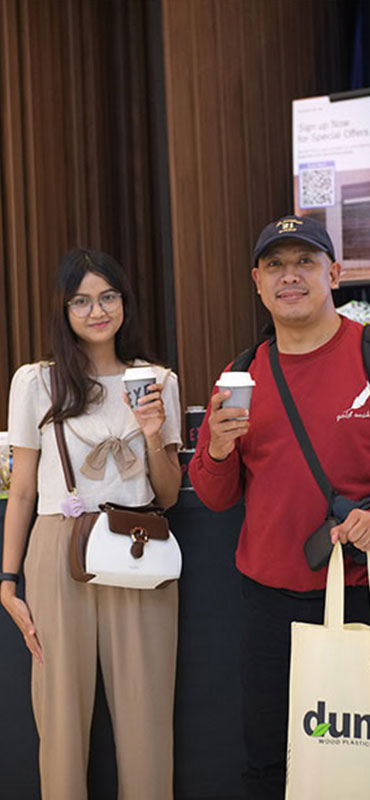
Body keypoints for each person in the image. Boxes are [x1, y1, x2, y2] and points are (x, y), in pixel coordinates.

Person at [189, 215, 370, 800]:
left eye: (305, 261)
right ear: (257, 282)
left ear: (335, 273)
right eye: (275, 265)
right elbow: (216, 495)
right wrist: (218, 449)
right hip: (270, 601)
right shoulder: (240, 376)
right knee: (271, 764)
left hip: (366, 589)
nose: (290, 276)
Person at [1, 248, 182, 800]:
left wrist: (152, 431)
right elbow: (23, 490)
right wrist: (7, 581)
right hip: (58, 545)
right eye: (81, 300)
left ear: (124, 302)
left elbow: (167, 493)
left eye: (107, 297)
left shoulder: (157, 380)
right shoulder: (37, 382)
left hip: (138, 544)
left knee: (147, 713)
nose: (97, 311)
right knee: (59, 711)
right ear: (64, 309)